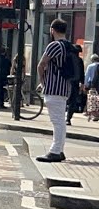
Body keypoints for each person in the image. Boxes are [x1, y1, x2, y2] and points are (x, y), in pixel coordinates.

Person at [35, 19, 76, 162]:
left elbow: (41, 65)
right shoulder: (70, 46)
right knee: (60, 121)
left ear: (52, 30)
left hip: (53, 89)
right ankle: (60, 149)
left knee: (57, 121)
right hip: (65, 89)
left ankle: (55, 151)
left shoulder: (54, 45)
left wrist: (43, 82)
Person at [84, 54, 99, 122]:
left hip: (91, 84)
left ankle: (90, 113)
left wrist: (86, 85)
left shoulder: (90, 66)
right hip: (97, 84)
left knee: (91, 99)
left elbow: (87, 76)